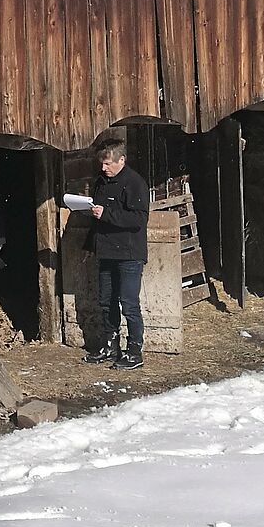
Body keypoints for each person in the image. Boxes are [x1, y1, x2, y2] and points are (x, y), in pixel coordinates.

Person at [86, 139, 148, 370]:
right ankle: (111, 345)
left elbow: (139, 219)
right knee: (105, 302)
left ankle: (134, 351)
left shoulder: (135, 183)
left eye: (109, 163)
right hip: (106, 250)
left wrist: (107, 214)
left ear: (122, 160)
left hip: (129, 253)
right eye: (102, 163)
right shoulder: (101, 182)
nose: (104, 168)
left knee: (129, 303)